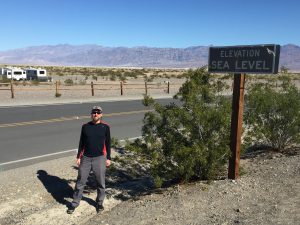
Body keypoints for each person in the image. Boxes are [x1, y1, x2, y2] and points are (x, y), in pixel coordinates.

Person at [67, 106, 111, 214]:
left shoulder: (105, 127)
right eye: (94, 112)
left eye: (98, 112)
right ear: (91, 114)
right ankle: (75, 203)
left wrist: (108, 158)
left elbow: (108, 143)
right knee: (80, 181)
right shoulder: (85, 127)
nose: (95, 114)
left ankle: (100, 202)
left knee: (100, 182)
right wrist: (78, 157)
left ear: (101, 114)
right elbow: (81, 142)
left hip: (100, 158)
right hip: (86, 158)